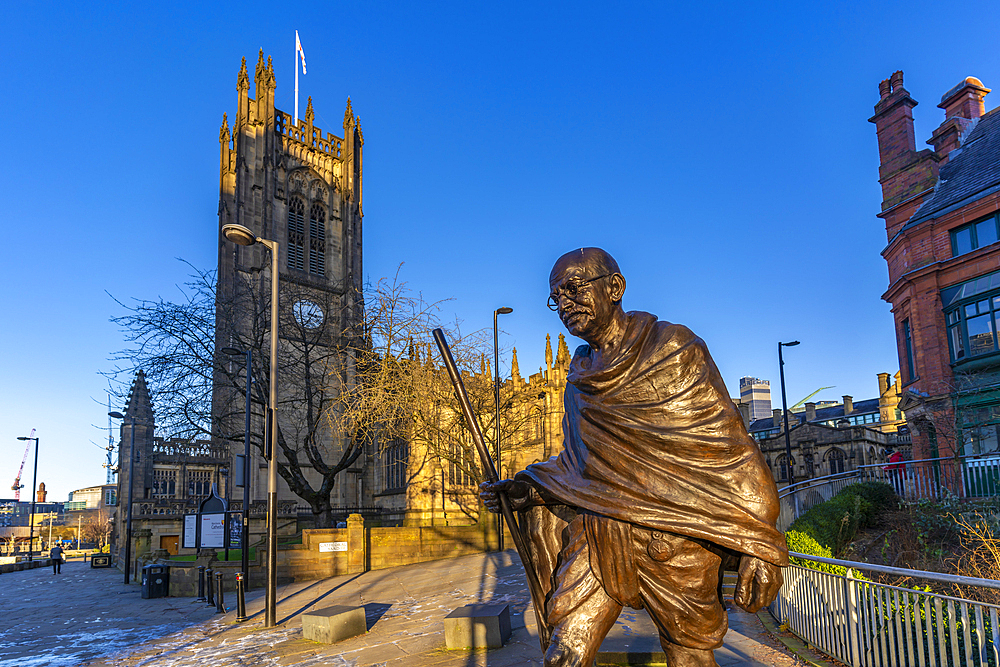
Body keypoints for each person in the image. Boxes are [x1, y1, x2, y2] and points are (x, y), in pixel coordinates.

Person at [481, 248, 788, 667]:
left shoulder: (673, 349)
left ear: (615, 287)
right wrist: (529, 488)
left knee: (689, 657)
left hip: (674, 537)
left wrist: (761, 543)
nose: (565, 303)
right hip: (597, 534)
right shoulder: (578, 378)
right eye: (556, 297)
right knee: (564, 652)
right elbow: (578, 464)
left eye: (573, 288)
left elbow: (731, 451)